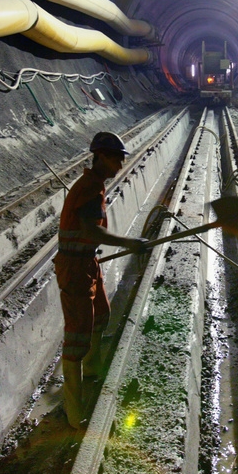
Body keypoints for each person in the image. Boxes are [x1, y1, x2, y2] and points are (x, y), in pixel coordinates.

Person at [54, 131, 147, 429]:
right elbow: (94, 232)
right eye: (117, 158)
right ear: (102, 157)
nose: (121, 164)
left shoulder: (94, 186)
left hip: (87, 263)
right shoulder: (91, 189)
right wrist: (130, 242)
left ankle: (92, 372)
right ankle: (73, 411)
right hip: (75, 267)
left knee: (101, 315)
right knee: (78, 334)